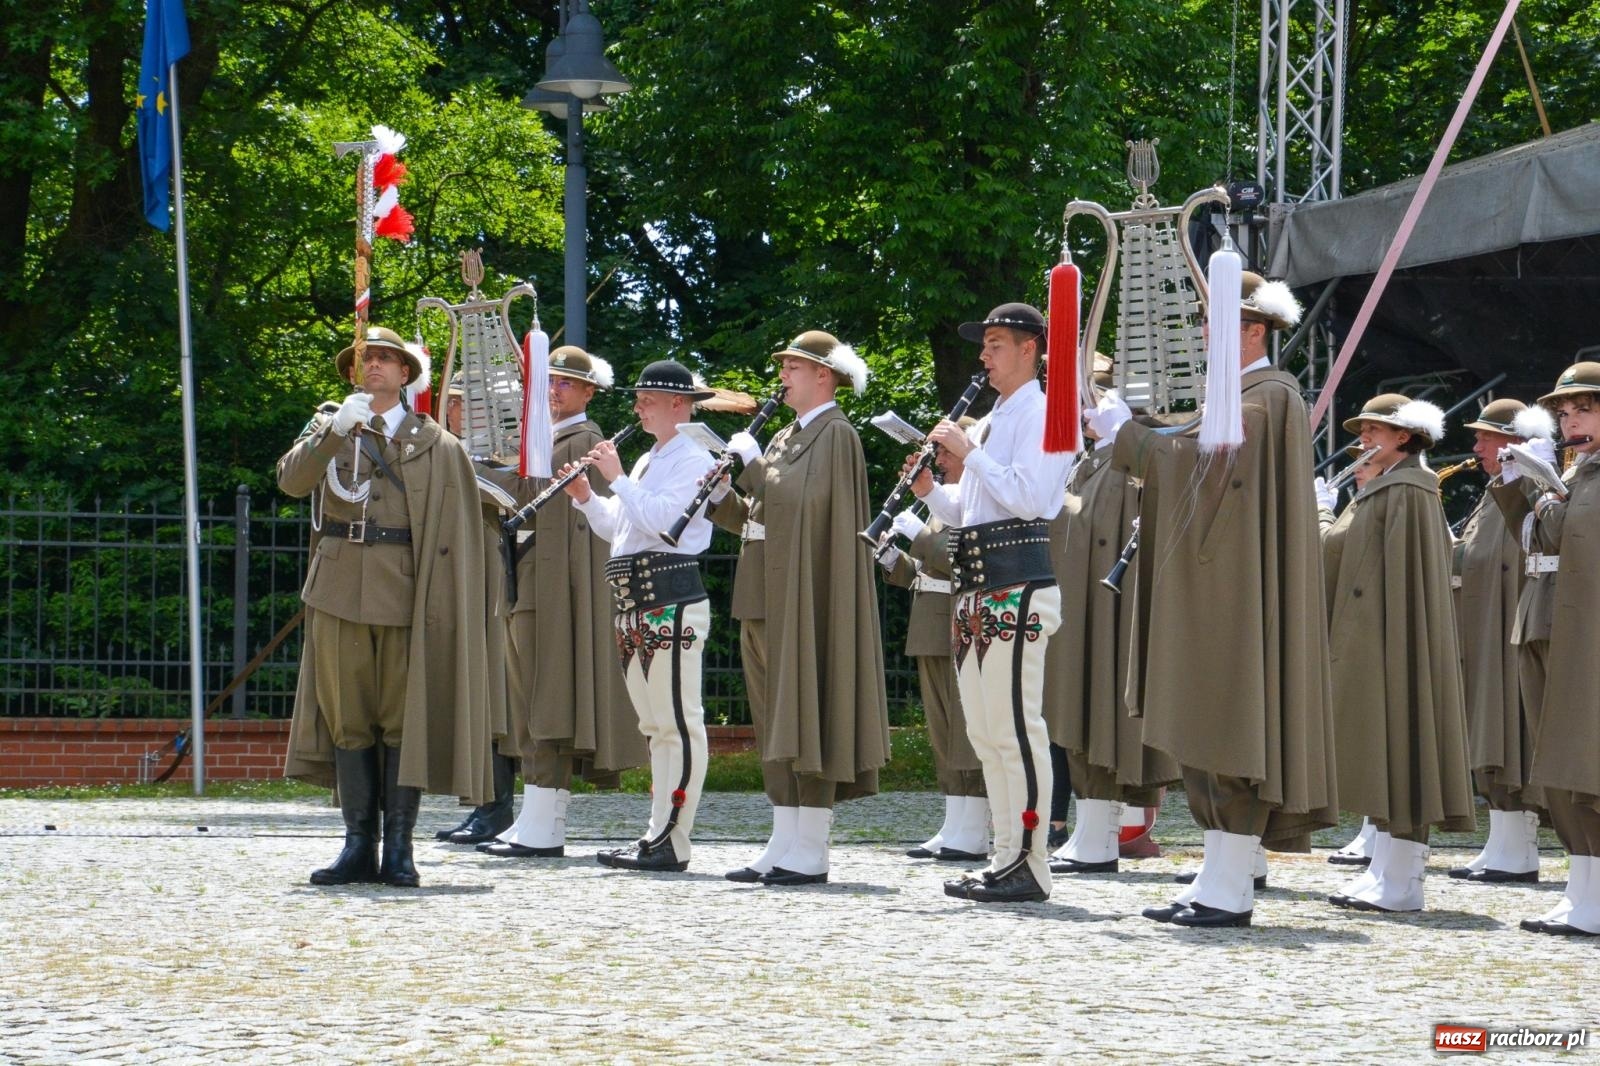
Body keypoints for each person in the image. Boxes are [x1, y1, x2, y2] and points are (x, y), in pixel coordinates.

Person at [1099, 273, 1339, 928]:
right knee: (1208, 735)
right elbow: (1195, 457)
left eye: (1218, 322)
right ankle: (1217, 875)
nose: (1204, 333)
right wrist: (1144, 434)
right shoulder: (1239, 396)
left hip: (1233, 595)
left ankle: (1229, 886)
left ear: (1254, 330)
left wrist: (1132, 437)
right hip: (1215, 587)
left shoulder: (1266, 395)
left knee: (1227, 733)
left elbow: (1211, 474)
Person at [278, 325, 491, 888]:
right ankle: (357, 846)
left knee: (401, 722)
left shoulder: (436, 444)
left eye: (385, 359)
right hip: (340, 590)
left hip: (405, 593)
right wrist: (331, 434)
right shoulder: (331, 426)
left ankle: (399, 846)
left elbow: (457, 533)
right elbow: (291, 483)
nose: (372, 366)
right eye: (364, 359)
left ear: (406, 374)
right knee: (349, 719)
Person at [711, 331, 890, 886]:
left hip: (806, 593)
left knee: (807, 706)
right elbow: (766, 515)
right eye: (784, 366)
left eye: (793, 367)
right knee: (773, 717)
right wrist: (722, 498)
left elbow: (807, 506)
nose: (783, 376)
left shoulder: (837, 435)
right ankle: (783, 839)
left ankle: (811, 845)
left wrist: (752, 466)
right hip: (766, 589)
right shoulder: (789, 435)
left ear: (824, 375)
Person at [909, 302, 1073, 904]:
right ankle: (1005, 854)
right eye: (985, 344)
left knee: (1017, 728)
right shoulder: (997, 416)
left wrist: (968, 451)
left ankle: (1029, 862)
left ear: (1031, 348)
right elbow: (972, 514)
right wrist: (933, 492)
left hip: (1018, 585)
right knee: (984, 730)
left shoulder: (1048, 414)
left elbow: (1033, 499)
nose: (984, 355)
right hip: (978, 584)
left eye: (997, 343)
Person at [479, 347, 646, 858]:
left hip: (551, 589)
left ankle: (544, 824)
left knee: (544, 701)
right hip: (527, 581)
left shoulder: (585, 441)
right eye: (548, 382)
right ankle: (537, 817)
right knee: (529, 704)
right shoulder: (543, 440)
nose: (553, 391)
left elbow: (576, 527)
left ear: (589, 392)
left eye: (566, 384)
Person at [1315, 393, 1475, 913]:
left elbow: (1399, 585)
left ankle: (1403, 879)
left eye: (1373, 432)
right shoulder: (1384, 491)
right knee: (1382, 753)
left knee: (1403, 750)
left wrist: (1318, 517)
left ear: (1403, 437)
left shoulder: (1408, 492)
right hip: (1371, 639)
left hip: (1391, 645)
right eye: (1361, 432)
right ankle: (1386, 868)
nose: (1361, 441)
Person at [563, 360, 718, 872]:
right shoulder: (653, 459)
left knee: (679, 723)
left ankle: (674, 840)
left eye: (647, 399)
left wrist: (617, 477)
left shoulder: (695, 459)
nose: (637, 407)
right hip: (635, 602)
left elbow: (665, 524)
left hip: (671, 601)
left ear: (680, 404)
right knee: (655, 727)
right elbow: (626, 529)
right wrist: (589, 499)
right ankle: (656, 833)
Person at [1046, 366, 1178, 877]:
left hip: (1107, 607)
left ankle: (1098, 836)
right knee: (1076, 716)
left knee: (1099, 717)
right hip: (1079, 606)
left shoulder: (1122, 466)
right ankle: (1092, 832)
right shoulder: (1092, 464)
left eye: (1095, 405)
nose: (1084, 413)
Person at [1493, 362, 1600, 936]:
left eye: (1584, 409)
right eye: (1566, 413)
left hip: (1587, 635)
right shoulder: (1581, 473)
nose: (1571, 421)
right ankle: (1583, 888)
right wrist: (1522, 486)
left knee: (1588, 764)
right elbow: (1543, 543)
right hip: (1551, 623)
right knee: (1560, 766)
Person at [877, 426, 990, 864]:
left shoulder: (976, 500)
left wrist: (918, 537)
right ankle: (954, 821)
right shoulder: (942, 502)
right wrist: (892, 559)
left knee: (965, 729)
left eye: (944, 453)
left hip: (957, 619)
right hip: (930, 620)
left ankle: (974, 828)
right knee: (943, 732)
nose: (938, 461)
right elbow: (926, 569)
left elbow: (963, 560)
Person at [1451, 399, 1551, 883]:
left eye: (1486, 437)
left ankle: (1518, 846)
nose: (1477, 447)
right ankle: (1502, 841)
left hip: (1511, 632)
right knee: (1490, 734)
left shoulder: (1528, 489)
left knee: (1512, 733)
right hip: (1486, 630)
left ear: (1512, 443)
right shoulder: (1493, 494)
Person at [434, 376, 519, 846]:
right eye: (453, 404)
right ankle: (480, 805)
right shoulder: (447, 452)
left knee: (492, 694)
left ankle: (496, 807)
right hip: (454, 571)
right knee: (470, 691)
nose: (458, 413)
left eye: (469, 405)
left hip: (488, 570)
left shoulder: (504, 456)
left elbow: (510, 498)